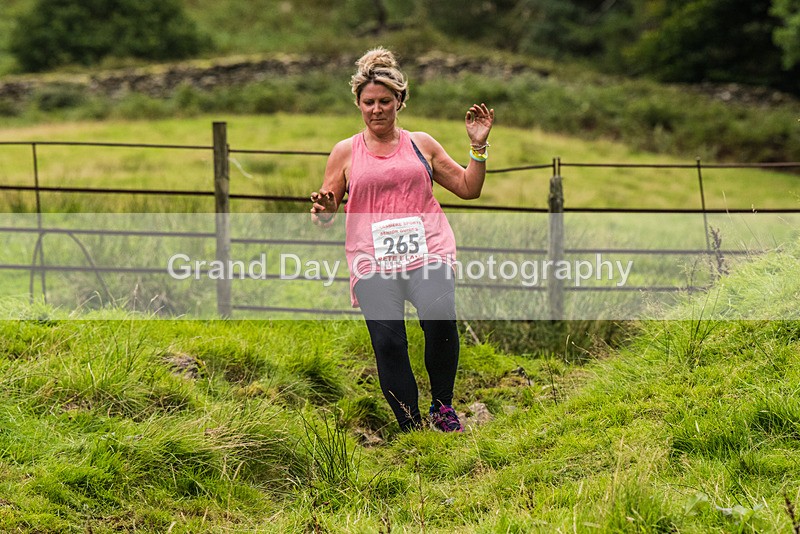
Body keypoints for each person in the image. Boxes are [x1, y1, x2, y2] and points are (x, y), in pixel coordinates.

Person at [310, 47, 494, 432]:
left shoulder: (421, 144)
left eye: (385, 101)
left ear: (400, 102)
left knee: (440, 319)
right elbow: (325, 215)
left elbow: (468, 188)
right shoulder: (345, 152)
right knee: (389, 343)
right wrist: (325, 209)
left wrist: (477, 148)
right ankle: (411, 427)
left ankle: (443, 408)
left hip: (428, 249)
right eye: (368, 102)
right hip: (372, 259)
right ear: (358, 104)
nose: (376, 109)